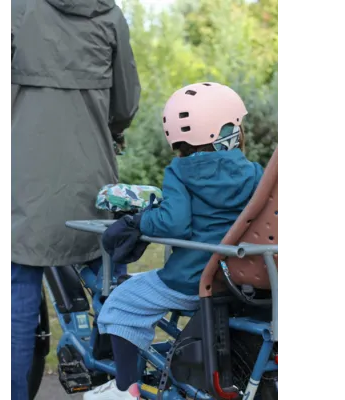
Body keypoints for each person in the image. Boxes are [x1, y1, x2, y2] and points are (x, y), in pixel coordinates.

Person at [84, 82, 264, 400]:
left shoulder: (180, 170)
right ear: (232, 129)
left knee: (121, 303)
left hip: (189, 280)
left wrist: (138, 222)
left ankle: (126, 389)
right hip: (235, 282)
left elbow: (173, 223)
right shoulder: (254, 173)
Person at [9, 0, 141, 399]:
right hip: (92, 178)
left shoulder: (18, 10)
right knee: (109, 280)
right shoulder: (110, 16)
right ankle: (122, 383)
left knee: (20, 290)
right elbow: (125, 104)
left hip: (24, 178)